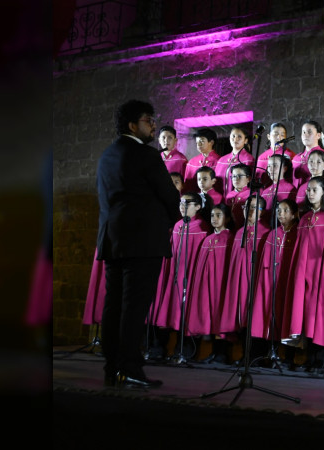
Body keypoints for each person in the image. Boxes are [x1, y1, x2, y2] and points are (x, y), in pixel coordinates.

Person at [96, 99, 179, 387]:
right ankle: (130, 367)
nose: (154, 125)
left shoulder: (107, 155)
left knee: (114, 305)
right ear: (132, 125)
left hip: (113, 240)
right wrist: (169, 220)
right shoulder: (146, 155)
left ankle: (112, 367)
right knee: (134, 307)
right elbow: (169, 195)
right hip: (143, 242)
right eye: (148, 120)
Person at [282, 177, 324, 372]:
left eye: (314, 190)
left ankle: (323, 360)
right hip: (304, 273)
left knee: (321, 314)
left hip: (323, 273)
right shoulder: (306, 218)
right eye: (308, 190)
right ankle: (310, 357)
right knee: (306, 313)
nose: (310, 193)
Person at [151, 192, 212, 359]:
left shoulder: (202, 227)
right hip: (174, 276)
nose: (182, 207)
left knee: (187, 313)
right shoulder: (178, 225)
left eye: (187, 203)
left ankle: (185, 350)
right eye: (181, 203)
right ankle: (160, 348)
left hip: (190, 276)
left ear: (198, 206)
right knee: (169, 310)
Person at [252, 199, 300, 369]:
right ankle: (269, 354)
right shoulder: (273, 233)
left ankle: (288, 357)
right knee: (269, 315)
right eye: (279, 210)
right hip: (272, 282)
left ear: (294, 214)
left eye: (285, 211)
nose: (281, 214)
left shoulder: (298, 233)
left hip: (288, 282)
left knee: (287, 316)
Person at [186, 203, 235, 363]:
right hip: (207, 285)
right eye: (212, 215)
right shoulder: (207, 239)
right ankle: (212, 352)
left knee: (221, 317)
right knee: (208, 316)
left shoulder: (230, 238)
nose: (214, 219)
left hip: (222, 286)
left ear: (227, 218)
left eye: (219, 215)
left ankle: (221, 353)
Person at [220, 195, 269, 337]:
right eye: (247, 207)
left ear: (262, 212)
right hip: (238, 279)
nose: (249, 210)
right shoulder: (239, 232)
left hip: (254, 280)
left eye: (254, 207)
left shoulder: (266, 232)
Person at [215, 126, 255, 199]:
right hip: (220, 200)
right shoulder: (221, 160)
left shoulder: (248, 159)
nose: (235, 139)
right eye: (233, 136)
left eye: (239, 137)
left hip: (239, 198)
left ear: (245, 140)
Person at [292, 120, 324, 186]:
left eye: (309, 132)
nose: (305, 135)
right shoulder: (296, 158)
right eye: (303, 132)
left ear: (318, 135)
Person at [183, 127, 219, 192]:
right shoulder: (192, 162)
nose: (199, 145)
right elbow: (187, 185)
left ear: (211, 142)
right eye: (197, 142)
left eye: (202, 141)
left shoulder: (219, 161)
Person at [224, 163, 256, 229]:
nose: (236, 179)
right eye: (234, 176)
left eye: (240, 176)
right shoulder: (229, 195)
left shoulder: (253, 194)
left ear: (249, 178)